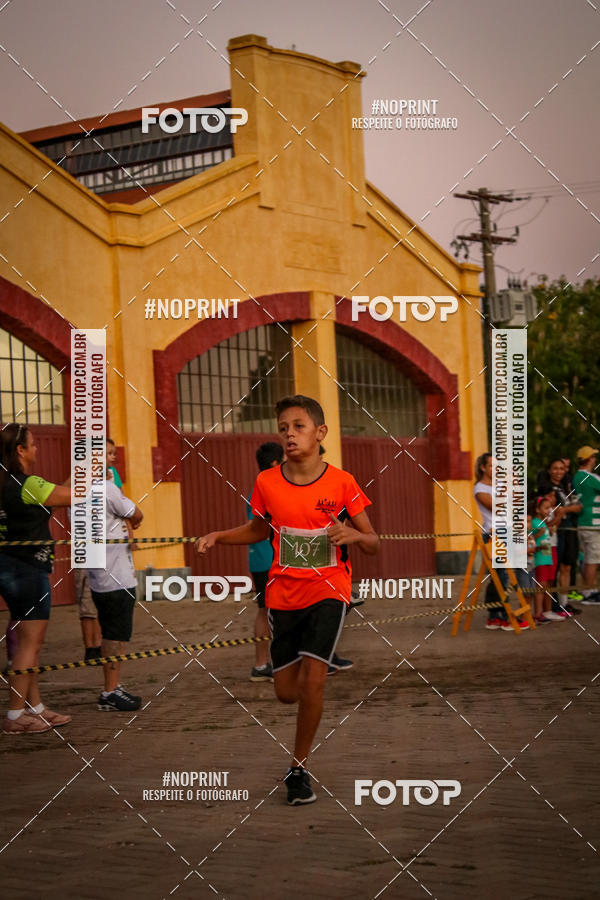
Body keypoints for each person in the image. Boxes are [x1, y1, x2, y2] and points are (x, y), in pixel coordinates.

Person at [196, 395, 379, 805]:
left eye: (298, 426)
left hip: (329, 589)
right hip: (283, 592)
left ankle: (299, 769)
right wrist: (219, 536)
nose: (289, 434)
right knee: (285, 692)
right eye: (283, 428)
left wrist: (355, 536)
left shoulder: (343, 482)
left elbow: (373, 543)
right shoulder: (267, 482)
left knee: (315, 680)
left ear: (320, 432)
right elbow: (259, 531)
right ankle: (303, 700)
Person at [0, 423, 72, 734]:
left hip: (9, 568)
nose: (37, 449)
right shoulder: (27, 483)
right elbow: (73, 496)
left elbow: (56, 497)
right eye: (33, 444)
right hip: (28, 571)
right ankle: (16, 715)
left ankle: (36, 707)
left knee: (27, 644)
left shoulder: (7, 484)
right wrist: (93, 473)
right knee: (31, 644)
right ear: (20, 450)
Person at [86, 440, 144, 711]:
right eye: (107, 454)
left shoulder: (75, 491)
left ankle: (113, 687)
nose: (112, 459)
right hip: (118, 576)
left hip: (98, 576)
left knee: (112, 632)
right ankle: (110, 691)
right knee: (115, 636)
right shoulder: (107, 488)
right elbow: (136, 512)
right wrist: (130, 519)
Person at [247, 441, 283, 682]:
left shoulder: (262, 485)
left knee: (264, 611)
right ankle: (272, 665)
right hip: (270, 561)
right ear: (274, 464)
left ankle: (262, 665)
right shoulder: (269, 486)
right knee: (274, 613)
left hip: (259, 561)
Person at [538, 458, 583, 612]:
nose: (558, 472)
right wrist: (565, 510)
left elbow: (578, 506)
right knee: (553, 570)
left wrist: (565, 510)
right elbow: (553, 512)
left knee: (567, 566)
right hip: (555, 532)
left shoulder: (567, 486)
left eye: (562, 469)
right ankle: (551, 606)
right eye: (555, 468)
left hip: (569, 528)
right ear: (549, 470)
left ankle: (564, 603)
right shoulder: (546, 489)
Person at [531, 495, 567, 623]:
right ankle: (538, 613)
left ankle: (546, 611)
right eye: (546, 508)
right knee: (541, 586)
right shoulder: (535, 522)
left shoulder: (543, 523)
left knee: (548, 584)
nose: (549, 511)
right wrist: (538, 535)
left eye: (549, 508)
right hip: (540, 559)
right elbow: (530, 539)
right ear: (537, 510)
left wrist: (548, 532)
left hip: (547, 557)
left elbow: (544, 541)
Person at [573, 446, 600, 604]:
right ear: (590, 459)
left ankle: (591, 589)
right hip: (592, 523)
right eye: (594, 457)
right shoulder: (589, 477)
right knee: (592, 559)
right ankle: (589, 592)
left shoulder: (577, 476)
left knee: (590, 557)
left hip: (585, 522)